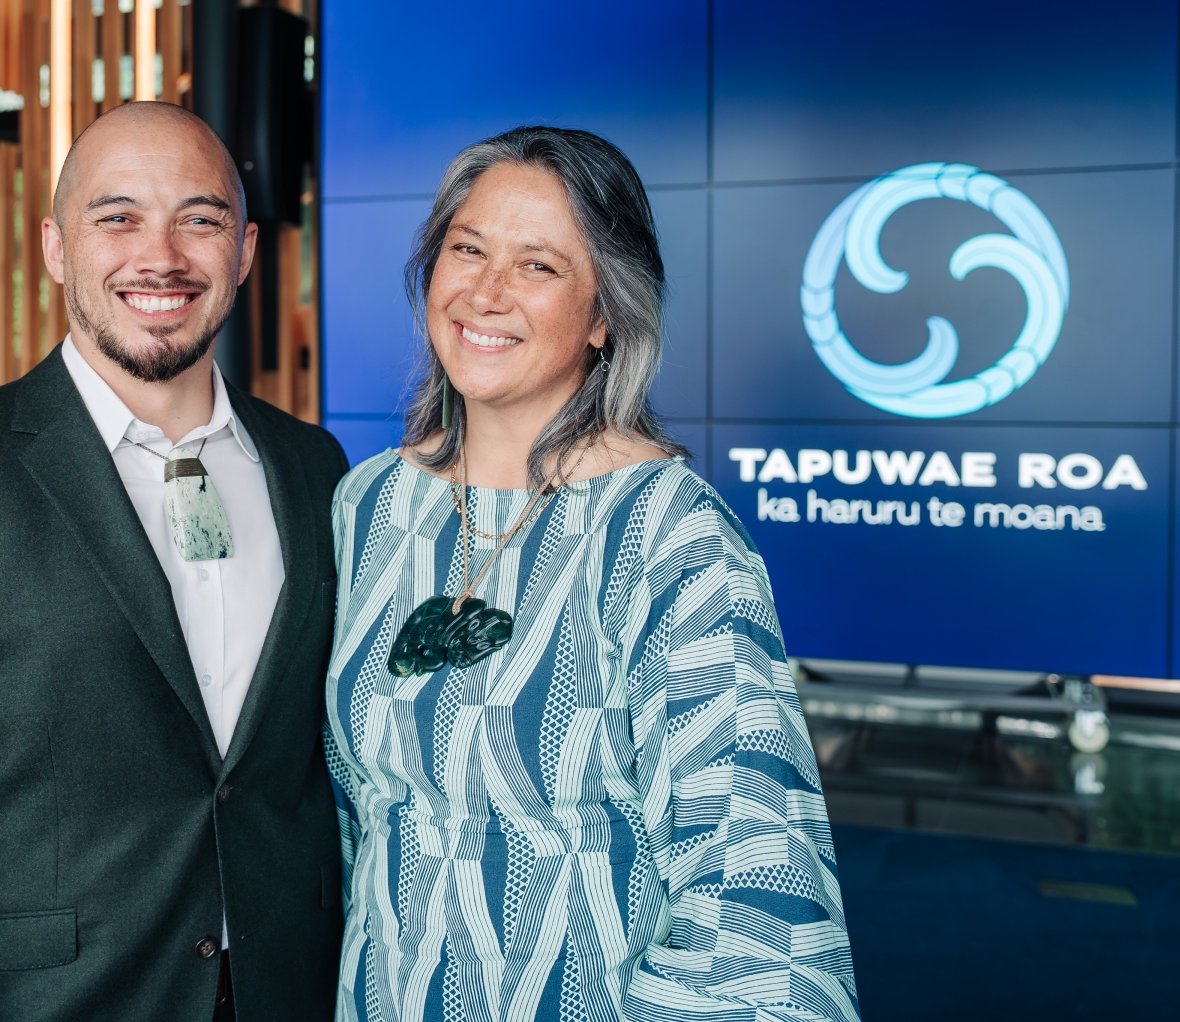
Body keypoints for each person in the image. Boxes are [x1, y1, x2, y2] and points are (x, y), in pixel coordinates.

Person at [0, 101, 349, 1022]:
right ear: (57, 248)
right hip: (53, 999)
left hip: (292, 989)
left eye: (200, 219)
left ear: (245, 251)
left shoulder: (315, 467)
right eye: (118, 217)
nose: (161, 256)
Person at [325, 127, 858, 1022]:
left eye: (538, 266)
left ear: (605, 315)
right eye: (467, 249)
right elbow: (350, 824)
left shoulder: (668, 533)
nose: (486, 292)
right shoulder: (370, 504)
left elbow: (751, 882)